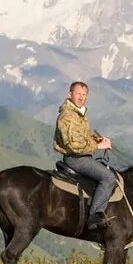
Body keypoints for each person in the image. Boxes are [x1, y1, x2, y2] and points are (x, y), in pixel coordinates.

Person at [54, 81, 115, 233]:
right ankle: (94, 216)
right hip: (76, 158)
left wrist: (97, 139)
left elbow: (83, 136)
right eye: (78, 94)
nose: (81, 97)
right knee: (108, 178)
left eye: (84, 95)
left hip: (82, 156)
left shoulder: (78, 113)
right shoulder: (68, 116)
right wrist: (98, 146)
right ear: (70, 94)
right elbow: (75, 145)